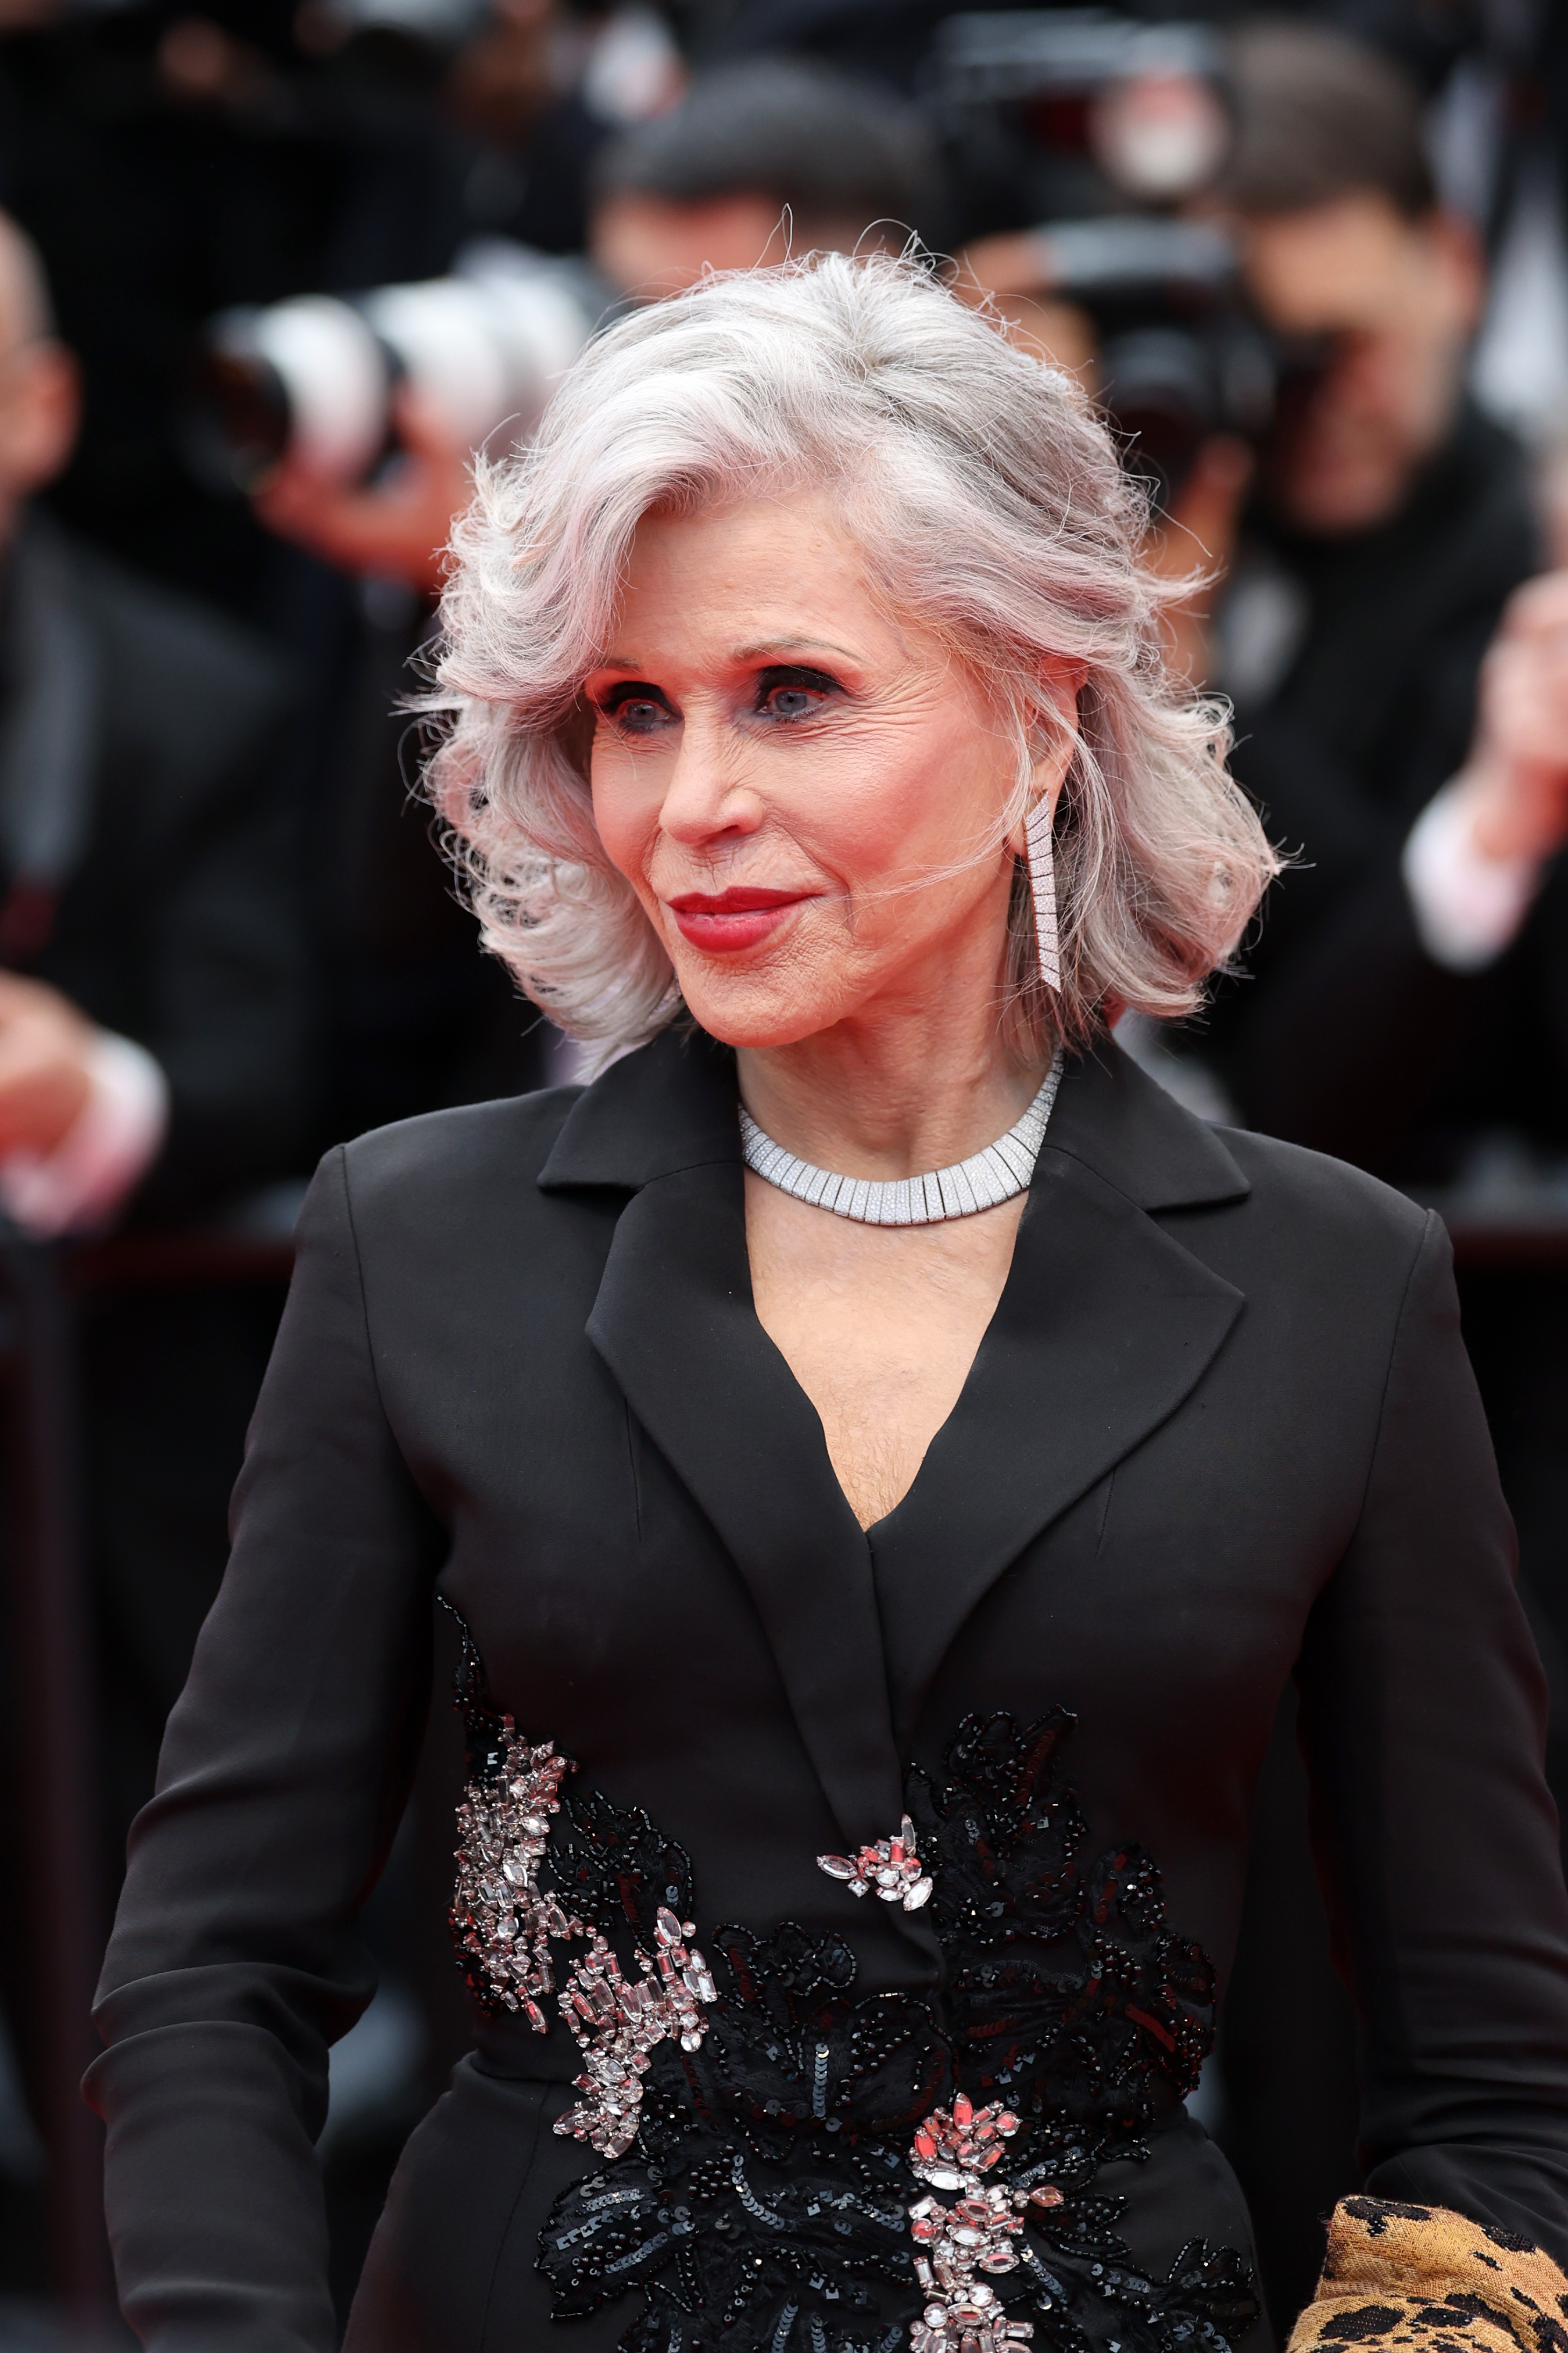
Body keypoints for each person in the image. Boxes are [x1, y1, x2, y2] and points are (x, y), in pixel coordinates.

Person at [88, 253, 1568, 2353]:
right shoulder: (417, 1242)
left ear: (1038, 710)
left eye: (792, 691)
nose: (691, 809)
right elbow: (211, 1971)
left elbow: (1492, 2091)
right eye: (630, 710)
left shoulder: (1333, 1285)